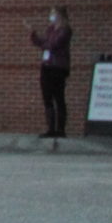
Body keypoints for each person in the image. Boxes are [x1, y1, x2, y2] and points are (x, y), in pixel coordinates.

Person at [31, 8, 73, 137]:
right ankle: (50, 128)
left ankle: (60, 129)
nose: (51, 16)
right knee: (47, 97)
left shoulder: (65, 30)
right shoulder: (50, 29)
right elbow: (42, 42)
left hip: (58, 67)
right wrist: (33, 34)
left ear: (60, 15)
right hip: (47, 65)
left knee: (59, 97)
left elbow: (53, 44)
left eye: (54, 13)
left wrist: (44, 44)